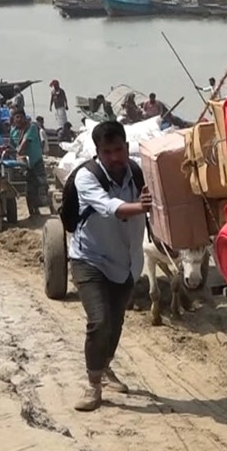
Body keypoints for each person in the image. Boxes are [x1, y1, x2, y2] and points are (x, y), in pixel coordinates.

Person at [68, 120, 152, 412]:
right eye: (108, 152)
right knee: (100, 320)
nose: (115, 157)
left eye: (119, 150)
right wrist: (143, 207)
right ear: (98, 152)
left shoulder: (140, 173)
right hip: (89, 259)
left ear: (127, 148)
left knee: (115, 324)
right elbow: (110, 208)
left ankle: (104, 366)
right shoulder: (86, 178)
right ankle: (93, 387)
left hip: (127, 262)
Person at [10, 112, 46, 219]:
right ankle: (32, 211)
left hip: (35, 161)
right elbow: (11, 146)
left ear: (25, 118)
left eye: (21, 117)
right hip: (23, 164)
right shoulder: (13, 131)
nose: (19, 119)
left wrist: (17, 153)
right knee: (28, 188)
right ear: (14, 119)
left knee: (41, 185)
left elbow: (23, 144)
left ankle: (44, 209)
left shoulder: (32, 128)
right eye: (17, 117)